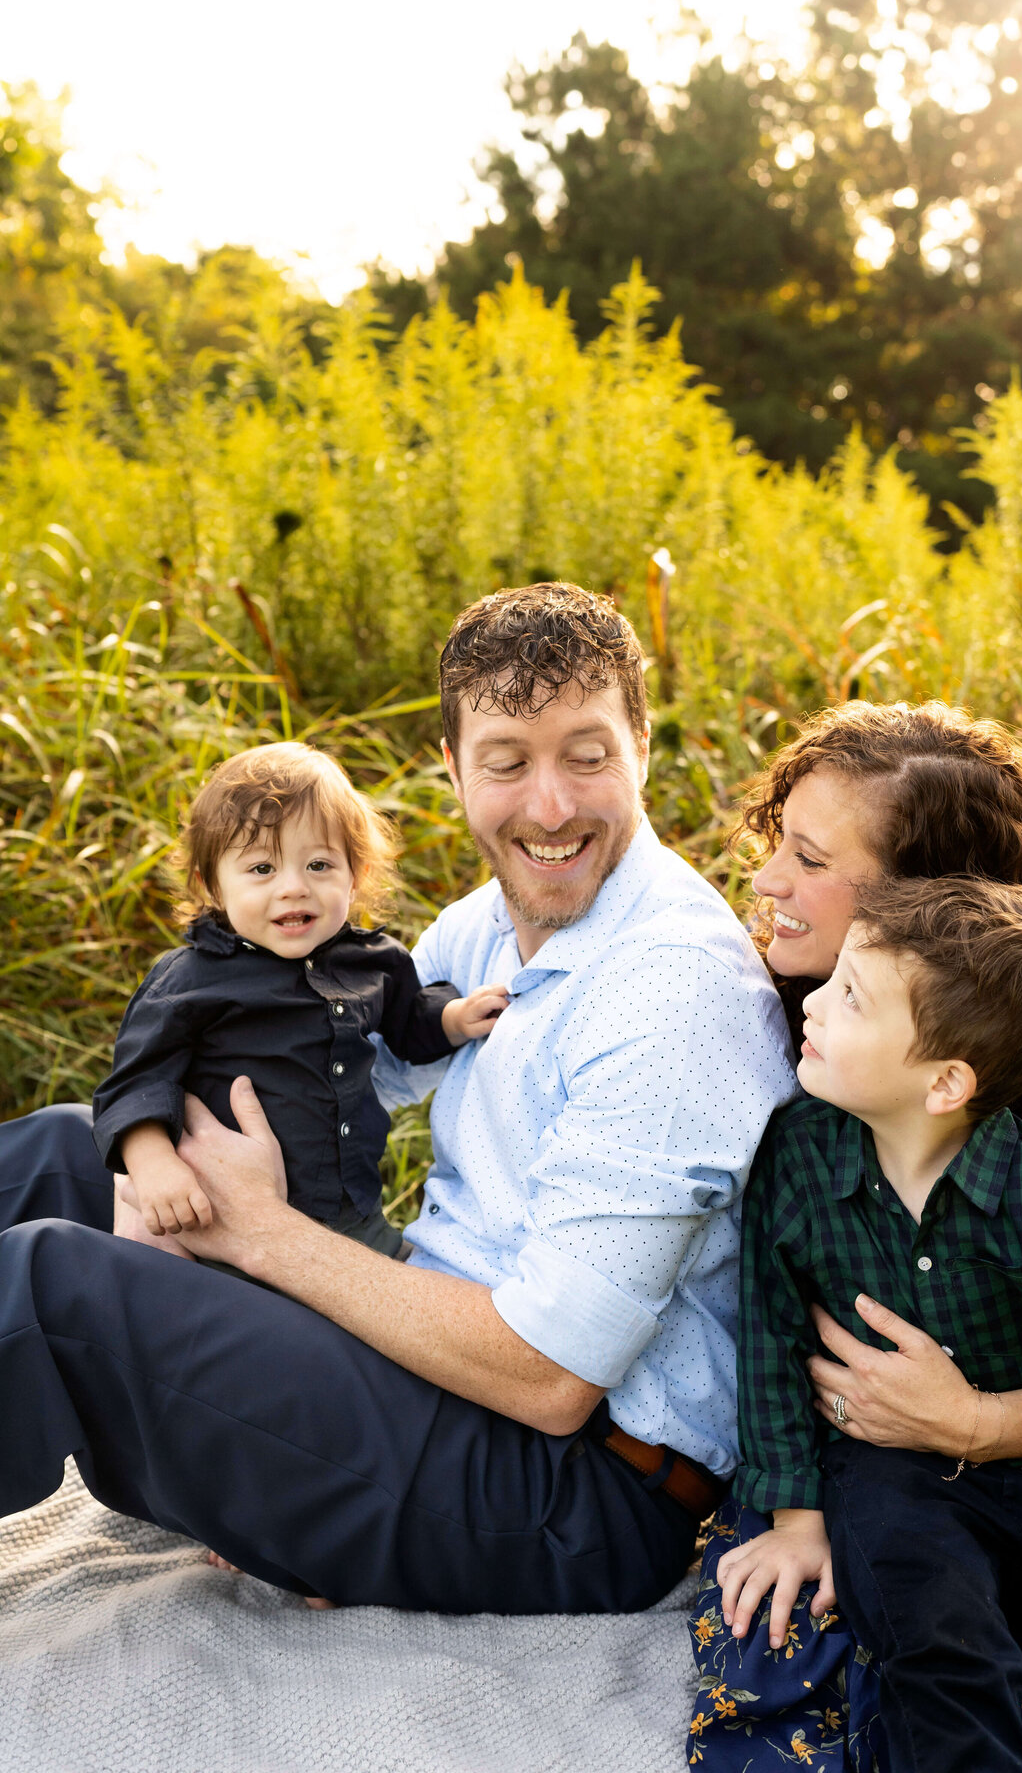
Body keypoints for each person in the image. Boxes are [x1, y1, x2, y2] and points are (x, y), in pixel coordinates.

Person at [0, 582, 797, 1613]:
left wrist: (254, 1234)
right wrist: (163, 1143)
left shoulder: (673, 986)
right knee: (69, 1153)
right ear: (454, 770)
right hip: (429, 1373)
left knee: (56, 1293)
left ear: (644, 747)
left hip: (577, 1493)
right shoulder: (480, 927)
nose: (550, 806)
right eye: (508, 762)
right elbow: (328, 1076)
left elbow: (553, 1378)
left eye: (588, 755)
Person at [688, 699, 1022, 1773]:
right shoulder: (773, 1014)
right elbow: (769, 1324)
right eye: (779, 837)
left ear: (919, 906)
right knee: (841, 1669)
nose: (767, 881)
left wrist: (974, 1420)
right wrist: (796, 1503)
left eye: (810, 857)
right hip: (852, 1472)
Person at [92, 741, 506, 1256]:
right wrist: (154, 1163)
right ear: (213, 886)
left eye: (318, 865)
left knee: (394, 1297)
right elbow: (136, 1085)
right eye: (262, 869)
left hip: (351, 1214)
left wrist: (450, 1021)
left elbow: (408, 1025)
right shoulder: (190, 981)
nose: (293, 888)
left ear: (355, 877)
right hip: (221, 1222)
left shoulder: (373, 961)